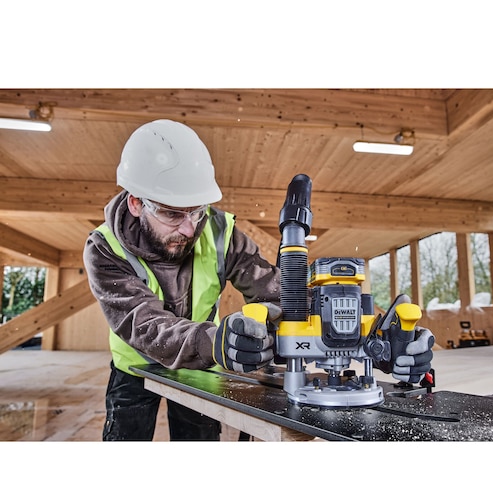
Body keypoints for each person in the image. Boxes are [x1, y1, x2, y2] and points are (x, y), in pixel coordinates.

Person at [83, 119, 434, 442]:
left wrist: (370, 335)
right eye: (173, 213)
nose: (190, 228)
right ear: (134, 203)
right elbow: (147, 327)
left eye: (196, 210)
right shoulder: (104, 248)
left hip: (202, 363)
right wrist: (216, 341)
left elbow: (283, 295)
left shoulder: (220, 233)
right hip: (134, 365)